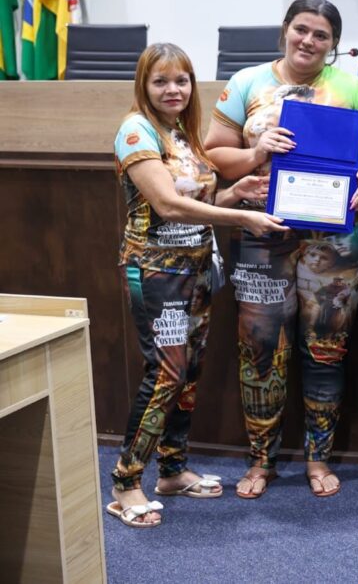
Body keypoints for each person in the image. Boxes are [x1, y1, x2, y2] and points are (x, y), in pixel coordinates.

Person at [204, 0, 358, 500]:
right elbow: (215, 156)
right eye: (302, 29)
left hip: (338, 245)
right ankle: (260, 461)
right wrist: (256, 151)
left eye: (322, 35)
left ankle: (318, 457)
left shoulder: (352, 89)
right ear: (285, 30)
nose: (309, 41)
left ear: (333, 45)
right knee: (259, 349)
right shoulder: (246, 84)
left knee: (324, 351)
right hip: (263, 237)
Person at [109, 43, 287, 528]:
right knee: (165, 373)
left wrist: (234, 193)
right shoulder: (136, 131)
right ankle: (126, 481)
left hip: (197, 270)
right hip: (156, 273)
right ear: (144, 86)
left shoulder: (182, 135)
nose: (173, 90)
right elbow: (167, 205)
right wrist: (238, 217)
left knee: (189, 374)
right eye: (161, 81)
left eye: (181, 81)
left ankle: (171, 469)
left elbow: (197, 198)